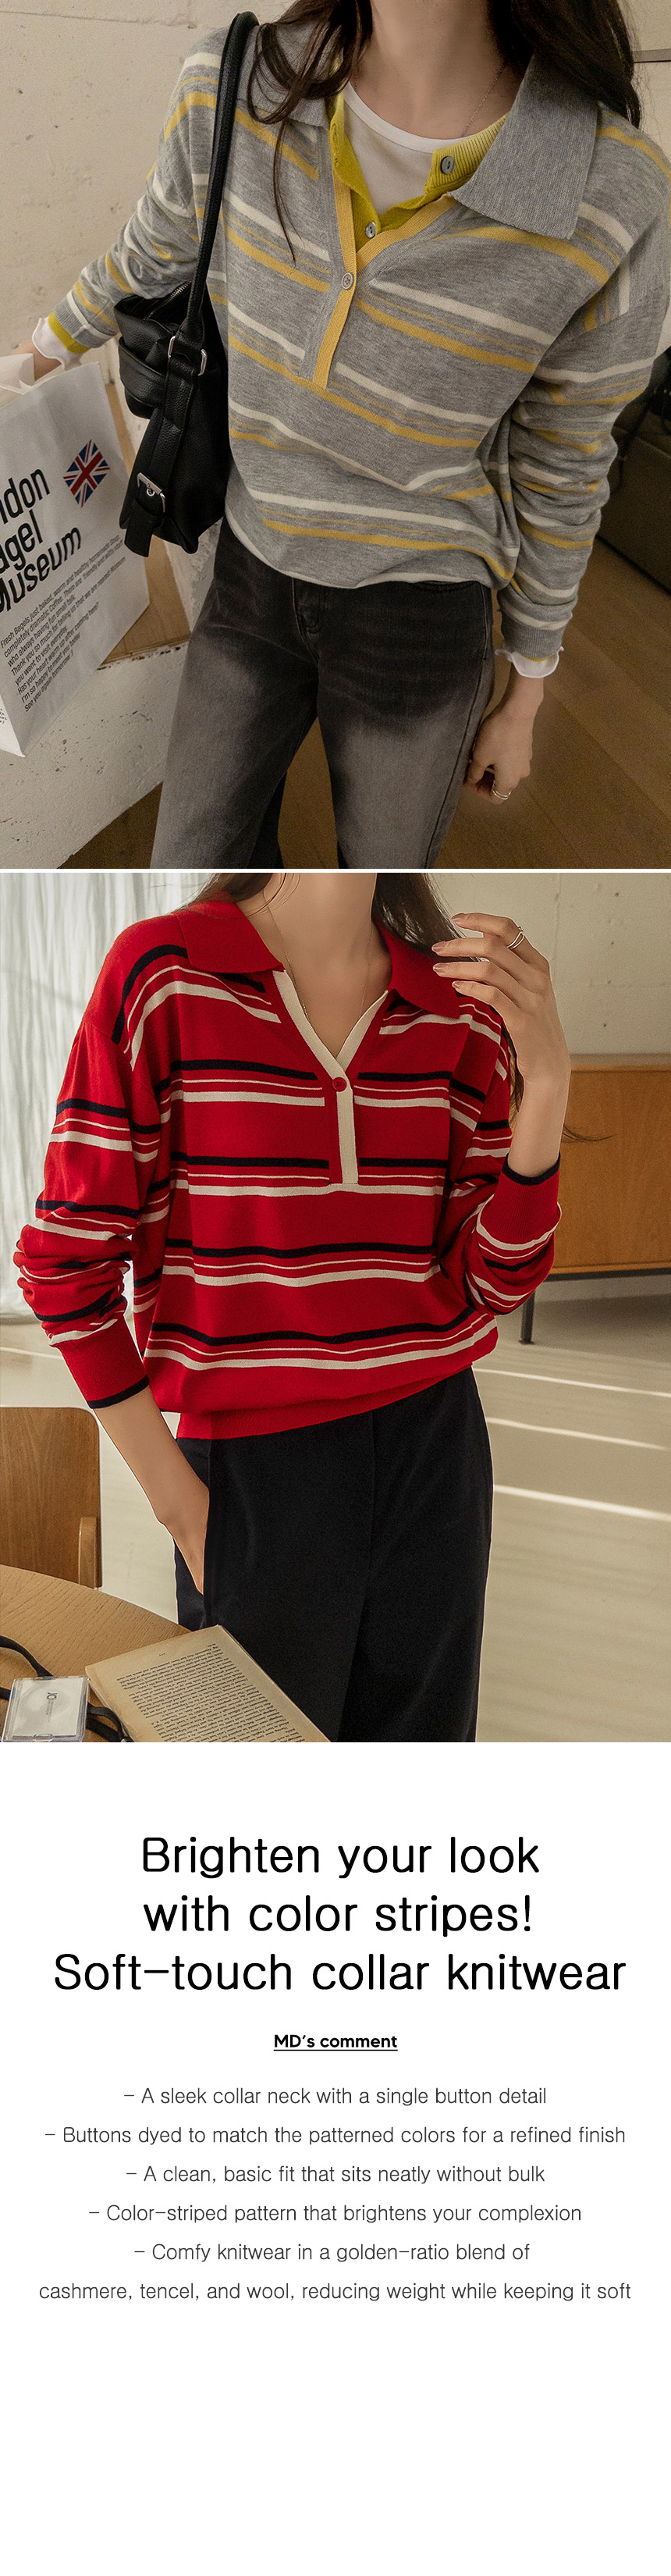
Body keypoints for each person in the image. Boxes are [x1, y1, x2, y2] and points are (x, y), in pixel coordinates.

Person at [14, 2, 670, 868]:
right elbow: (153, 251)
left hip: (423, 603)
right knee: (193, 870)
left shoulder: (612, 189)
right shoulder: (234, 85)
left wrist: (528, 689)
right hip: (250, 562)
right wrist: (30, 361)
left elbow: (567, 457)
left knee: (382, 884)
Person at [16, 870, 570, 1742]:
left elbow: (494, 1283)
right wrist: (181, 1506)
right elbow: (66, 1269)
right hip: (250, 1470)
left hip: (436, 1451)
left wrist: (547, 1082)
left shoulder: (457, 1009)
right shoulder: (164, 977)